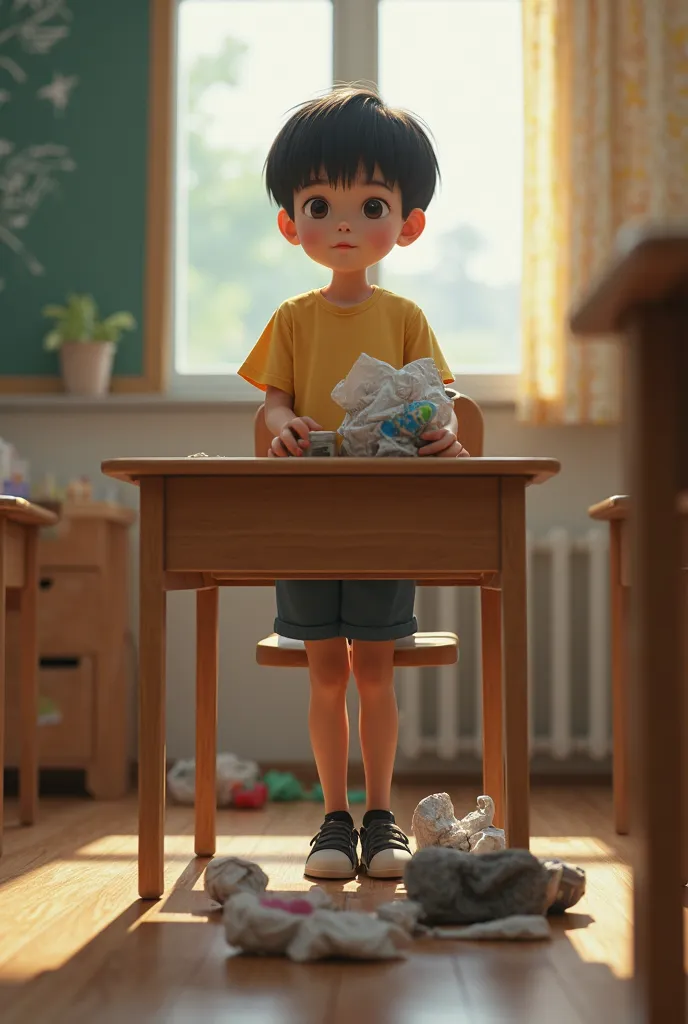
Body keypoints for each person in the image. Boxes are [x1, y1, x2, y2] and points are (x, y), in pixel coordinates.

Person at [239, 86, 469, 881]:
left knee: (374, 669)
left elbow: (440, 403)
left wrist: (446, 435)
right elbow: (272, 404)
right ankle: (332, 819)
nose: (343, 223)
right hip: (306, 515)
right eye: (318, 202)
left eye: (370, 203)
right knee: (325, 671)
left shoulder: (404, 315)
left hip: (383, 517)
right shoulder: (294, 317)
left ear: (405, 224)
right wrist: (280, 427)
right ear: (291, 222)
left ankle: (380, 819)